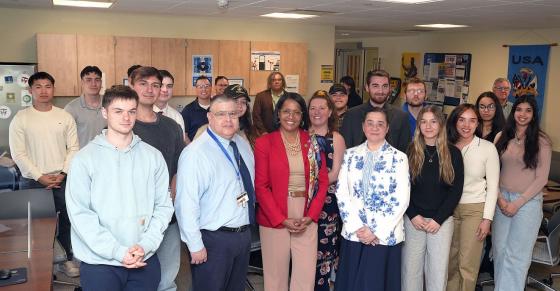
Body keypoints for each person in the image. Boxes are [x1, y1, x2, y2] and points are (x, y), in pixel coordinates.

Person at [66, 85, 174, 290]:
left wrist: (146, 245)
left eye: (131, 111)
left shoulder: (153, 156)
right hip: (100, 263)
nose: (126, 117)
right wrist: (117, 251)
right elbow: (80, 214)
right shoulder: (84, 159)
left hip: (144, 257)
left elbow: (164, 206)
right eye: (118, 111)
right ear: (105, 112)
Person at [175, 94, 256, 291]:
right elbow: (186, 203)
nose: (228, 120)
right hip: (213, 241)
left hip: (243, 235)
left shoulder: (243, 145)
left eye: (233, 114)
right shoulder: (196, 153)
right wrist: (195, 245)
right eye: (221, 114)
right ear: (210, 118)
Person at [255, 92, 329, 291]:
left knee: (305, 277)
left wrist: (311, 216)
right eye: (286, 111)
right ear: (278, 113)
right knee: (275, 277)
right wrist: (281, 219)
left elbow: (322, 183)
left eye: (297, 112)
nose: (291, 116)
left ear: (302, 116)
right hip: (275, 213)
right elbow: (261, 186)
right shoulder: (264, 143)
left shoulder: (312, 142)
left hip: (306, 212)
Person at [9, 71, 80, 277]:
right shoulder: (21, 118)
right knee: (35, 226)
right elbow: (18, 153)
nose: (43, 90)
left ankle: (65, 259)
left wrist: (63, 173)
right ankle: (37, 264)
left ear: (53, 89)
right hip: (32, 181)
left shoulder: (64, 116)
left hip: (62, 179)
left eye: (47, 86)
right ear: (31, 90)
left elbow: (73, 148)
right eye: (38, 86)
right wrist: (39, 176)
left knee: (67, 221)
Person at [335, 108, 410, 291]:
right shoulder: (350, 155)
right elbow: (341, 192)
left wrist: (375, 231)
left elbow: (401, 199)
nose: (374, 128)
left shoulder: (399, 158)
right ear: (363, 126)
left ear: (387, 128)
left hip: (384, 236)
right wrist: (357, 227)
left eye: (380, 124)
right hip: (355, 233)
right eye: (370, 123)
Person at [130, 66, 185, 291]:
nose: (150, 89)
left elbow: (179, 166)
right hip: (133, 215)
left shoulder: (172, 126)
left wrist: (171, 198)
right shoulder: (123, 125)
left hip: (166, 214)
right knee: (135, 273)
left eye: (155, 84)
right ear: (132, 86)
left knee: (166, 278)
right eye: (143, 84)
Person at [492, 95, 552, 291]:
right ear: (513, 111)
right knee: (500, 252)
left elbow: (541, 179)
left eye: (528, 110)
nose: (523, 114)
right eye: (519, 109)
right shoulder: (502, 136)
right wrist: (500, 199)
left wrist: (517, 204)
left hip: (527, 203)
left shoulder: (542, 141)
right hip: (501, 199)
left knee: (517, 256)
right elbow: (492, 171)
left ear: (534, 115)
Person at [402, 106, 464, 291]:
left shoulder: (453, 153)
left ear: (441, 124)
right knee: (410, 270)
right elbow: (403, 188)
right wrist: (412, 215)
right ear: (418, 125)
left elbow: (456, 190)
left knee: (437, 270)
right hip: (414, 220)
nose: (428, 126)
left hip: (441, 221)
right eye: (423, 121)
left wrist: (438, 219)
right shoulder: (410, 151)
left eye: (433, 121)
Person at [446, 104, 500, 291]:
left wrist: (487, 219)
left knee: (467, 264)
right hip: (448, 210)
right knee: (449, 262)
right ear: (455, 121)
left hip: (475, 209)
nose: (466, 125)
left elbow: (493, 187)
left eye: (472, 120)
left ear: (478, 123)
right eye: (462, 119)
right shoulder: (446, 145)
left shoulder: (487, 148)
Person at [307, 90, 346, 291]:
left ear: (330, 112)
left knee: (324, 255)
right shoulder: (301, 136)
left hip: (327, 204)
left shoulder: (336, 138)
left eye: (322, 108)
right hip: (302, 204)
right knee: (303, 254)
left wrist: (312, 188)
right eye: (313, 108)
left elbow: (336, 173)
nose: (317, 112)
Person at [340, 70, 410, 153]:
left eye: (385, 86)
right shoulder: (352, 115)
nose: (380, 91)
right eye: (375, 86)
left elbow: (404, 151)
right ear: (367, 87)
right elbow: (345, 149)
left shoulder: (401, 117)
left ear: (390, 88)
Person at [65, 65, 107, 148]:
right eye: (88, 80)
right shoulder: (71, 109)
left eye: (97, 80)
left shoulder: (109, 104)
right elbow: (65, 138)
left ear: (101, 82)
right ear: (82, 83)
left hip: (108, 156)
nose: (93, 84)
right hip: (83, 158)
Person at [154, 70, 186, 140]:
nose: (165, 90)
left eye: (169, 86)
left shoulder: (177, 117)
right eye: (161, 85)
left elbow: (180, 145)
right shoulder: (141, 114)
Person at [252, 71, 286, 135]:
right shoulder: (261, 96)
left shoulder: (289, 97)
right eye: (273, 80)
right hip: (266, 133)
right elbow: (256, 116)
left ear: (283, 82)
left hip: (285, 133)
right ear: (270, 82)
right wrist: (263, 131)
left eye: (279, 80)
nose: (277, 82)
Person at [182, 76, 212, 143]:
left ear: (211, 88)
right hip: (196, 150)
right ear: (196, 89)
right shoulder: (188, 110)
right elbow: (184, 135)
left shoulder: (218, 107)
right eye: (200, 87)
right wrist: (192, 150)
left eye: (207, 86)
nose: (204, 89)